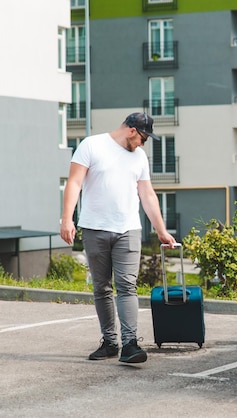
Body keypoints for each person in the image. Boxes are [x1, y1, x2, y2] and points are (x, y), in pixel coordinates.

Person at [60, 112, 176, 363]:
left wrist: (161, 230)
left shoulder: (139, 157)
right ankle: (110, 342)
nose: (144, 144)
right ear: (132, 131)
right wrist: (67, 219)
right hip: (94, 228)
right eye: (144, 138)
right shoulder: (91, 145)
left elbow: (147, 195)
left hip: (128, 229)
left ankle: (130, 344)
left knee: (127, 286)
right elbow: (74, 182)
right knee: (101, 288)